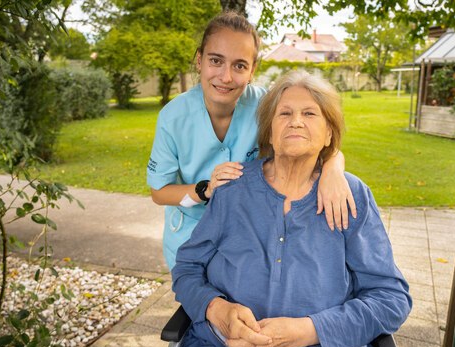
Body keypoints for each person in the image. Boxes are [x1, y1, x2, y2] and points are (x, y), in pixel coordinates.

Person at [171, 70, 412, 347]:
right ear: (270, 132)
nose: (296, 121)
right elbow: (187, 268)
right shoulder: (233, 188)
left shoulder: (352, 197)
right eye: (284, 113)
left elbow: (390, 298)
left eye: (309, 113)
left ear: (328, 135)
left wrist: (308, 330)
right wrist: (217, 310)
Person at [147, 11, 356, 270]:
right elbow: (159, 192)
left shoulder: (266, 105)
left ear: (252, 70)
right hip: (190, 237)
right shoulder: (173, 117)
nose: (225, 77)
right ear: (199, 60)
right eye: (215, 60)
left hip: (249, 237)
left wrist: (333, 169)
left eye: (239, 65)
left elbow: (312, 139)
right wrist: (205, 189)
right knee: (199, 303)